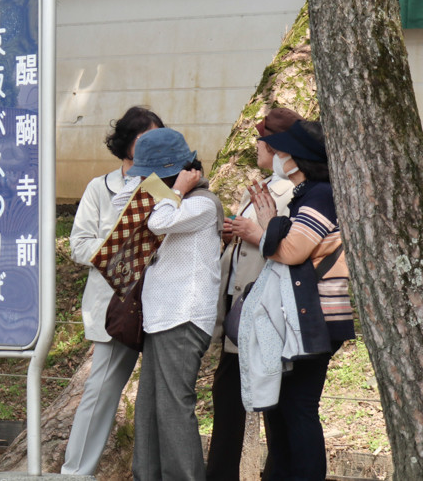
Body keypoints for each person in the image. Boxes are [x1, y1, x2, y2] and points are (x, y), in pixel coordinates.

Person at [241, 120, 353, 480]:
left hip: (317, 318)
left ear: (298, 159)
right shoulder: (308, 193)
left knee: (299, 406)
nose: (275, 156)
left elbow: (291, 250)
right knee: (284, 406)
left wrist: (265, 226)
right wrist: (270, 224)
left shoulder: (320, 194)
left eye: (282, 151)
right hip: (305, 316)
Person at [60, 106, 164, 478]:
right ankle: (75, 473)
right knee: (100, 392)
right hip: (116, 308)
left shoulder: (165, 186)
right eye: (144, 139)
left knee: (159, 399)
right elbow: (78, 245)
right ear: (126, 144)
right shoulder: (99, 187)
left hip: (164, 307)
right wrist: (120, 252)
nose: (152, 146)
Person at [115, 128, 223, 481]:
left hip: (185, 316)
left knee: (175, 407)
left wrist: (176, 190)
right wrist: (157, 189)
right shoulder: (168, 200)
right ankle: (146, 475)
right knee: (149, 409)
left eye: (149, 174)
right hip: (161, 317)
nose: (144, 180)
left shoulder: (202, 204)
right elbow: (120, 209)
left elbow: (160, 223)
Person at [205, 107, 303, 481]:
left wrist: (252, 233)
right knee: (231, 396)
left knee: (269, 401)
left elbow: (284, 245)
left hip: (262, 310)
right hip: (241, 309)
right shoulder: (268, 186)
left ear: (278, 146)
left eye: (262, 138)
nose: (256, 145)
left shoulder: (288, 191)